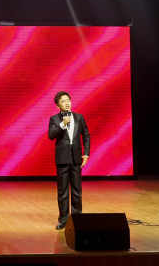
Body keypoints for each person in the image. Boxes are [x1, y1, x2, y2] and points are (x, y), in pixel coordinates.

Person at [48, 91, 90, 230]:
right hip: (62, 159)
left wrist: (86, 154)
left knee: (77, 190)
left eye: (68, 100)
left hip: (76, 158)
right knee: (63, 192)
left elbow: (86, 135)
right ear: (57, 105)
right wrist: (62, 124)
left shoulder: (79, 117)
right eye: (63, 101)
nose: (67, 103)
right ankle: (64, 219)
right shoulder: (54, 119)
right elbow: (51, 135)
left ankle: (77, 219)